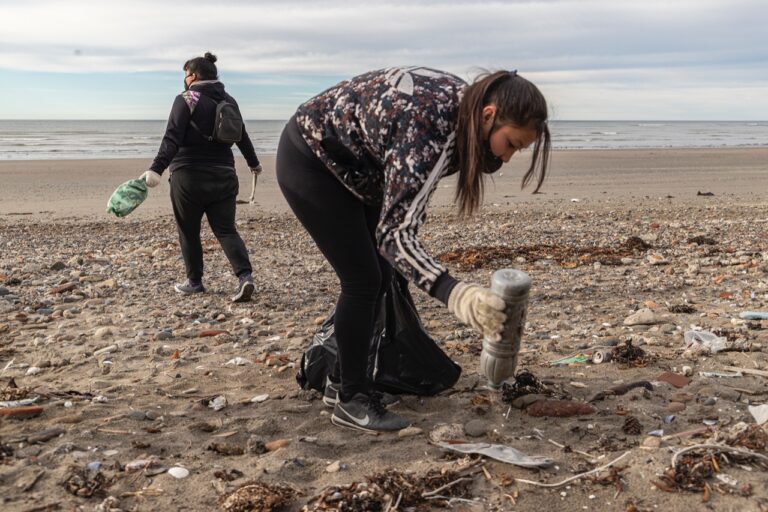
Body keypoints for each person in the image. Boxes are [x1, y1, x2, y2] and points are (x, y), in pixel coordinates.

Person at [276, 67, 551, 433]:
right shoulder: (429, 129)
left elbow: (400, 216)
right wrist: (456, 294)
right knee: (362, 280)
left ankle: (342, 381)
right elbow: (395, 236)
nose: (509, 157)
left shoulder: (461, 114)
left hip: (358, 170)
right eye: (512, 144)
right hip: (311, 160)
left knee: (381, 275)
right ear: (488, 115)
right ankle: (352, 401)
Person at [142, 52, 262, 302]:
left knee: (189, 230)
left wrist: (156, 169)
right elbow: (241, 135)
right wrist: (253, 163)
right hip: (225, 175)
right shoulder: (229, 100)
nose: (185, 79)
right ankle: (245, 276)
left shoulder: (186, 98)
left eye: (186, 75)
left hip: (189, 177)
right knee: (226, 230)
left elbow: (172, 137)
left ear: (193, 76)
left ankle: (194, 282)